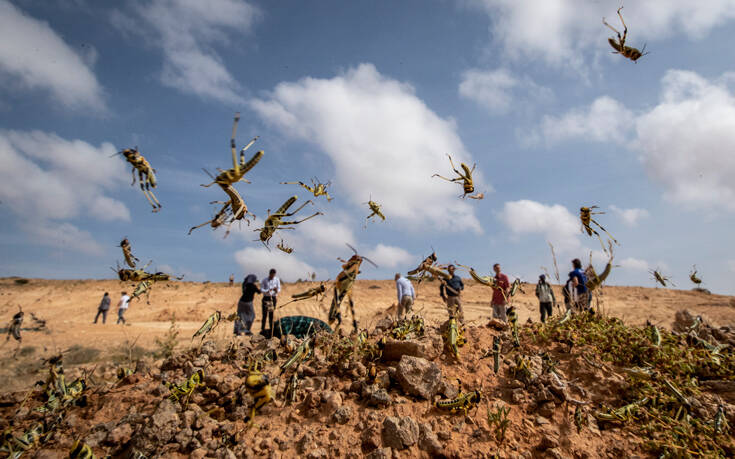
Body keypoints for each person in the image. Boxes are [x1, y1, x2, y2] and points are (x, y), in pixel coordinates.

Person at [261, 268, 281, 333]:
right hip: (266, 298)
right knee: (264, 314)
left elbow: (279, 289)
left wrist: (276, 290)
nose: (272, 276)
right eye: (272, 274)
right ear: (270, 274)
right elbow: (261, 289)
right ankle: (262, 329)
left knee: (271, 314)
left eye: (274, 275)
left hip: (273, 298)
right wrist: (267, 291)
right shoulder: (264, 280)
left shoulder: (277, 280)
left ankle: (271, 329)